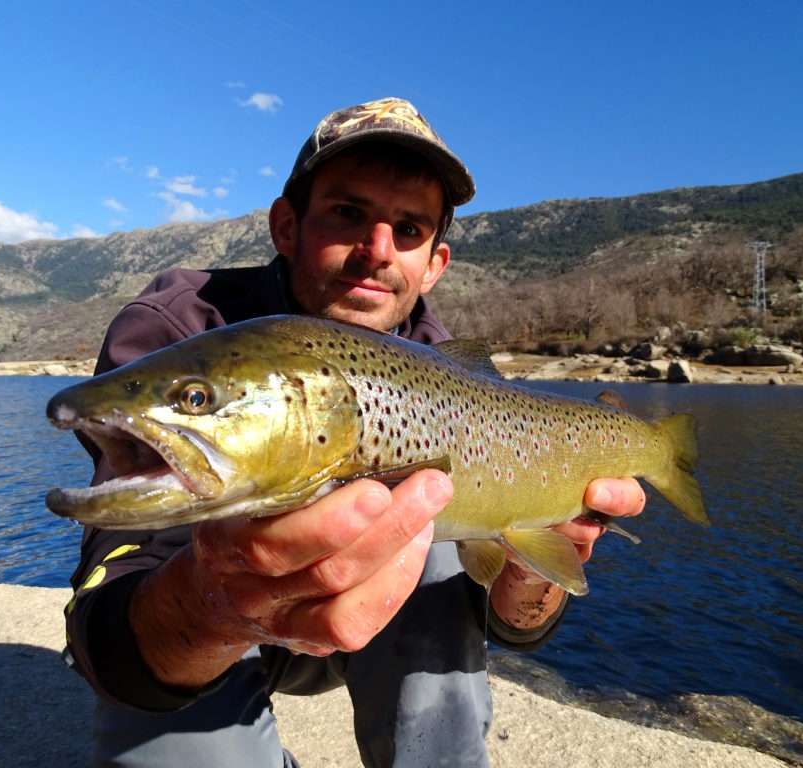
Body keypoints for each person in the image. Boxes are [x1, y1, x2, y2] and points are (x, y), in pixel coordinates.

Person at [64, 97, 647, 767]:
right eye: (348, 214)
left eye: (408, 229)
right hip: (207, 628)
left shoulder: (450, 370)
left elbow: (513, 625)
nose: (376, 251)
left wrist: (529, 574)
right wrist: (215, 606)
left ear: (435, 263)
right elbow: (115, 608)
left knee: (421, 517)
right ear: (286, 226)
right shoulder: (180, 333)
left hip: (382, 624)